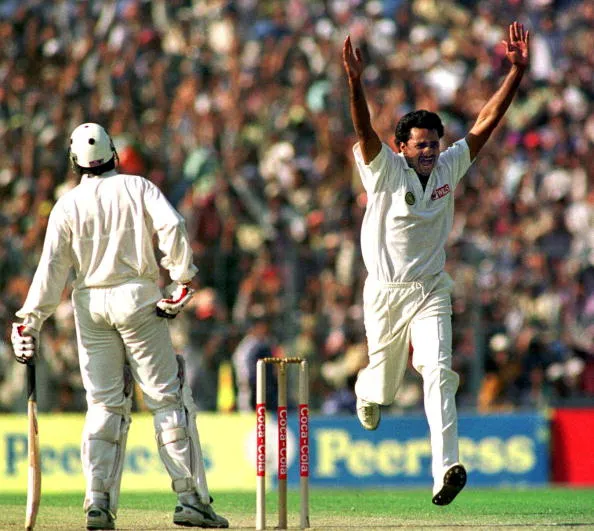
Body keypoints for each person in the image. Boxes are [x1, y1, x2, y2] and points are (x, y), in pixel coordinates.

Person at [342, 22, 530, 505]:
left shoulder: (449, 165)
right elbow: (363, 131)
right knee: (383, 387)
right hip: (385, 292)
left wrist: (516, 74)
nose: (427, 152)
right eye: (419, 145)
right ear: (402, 147)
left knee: (438, 370)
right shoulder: (385, 168)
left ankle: (445, 468)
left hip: (429, 289)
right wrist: (355, 83)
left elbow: (486, 121)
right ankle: (366, 391)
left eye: (433, 144)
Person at [10, 123, 229, 529]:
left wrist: (29, 321)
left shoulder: (66, 204)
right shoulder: (138, 187)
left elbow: (52, 269)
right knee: (167, 398)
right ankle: (190, 499)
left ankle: (98, 502)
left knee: (104, 405)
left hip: (89, 305)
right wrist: (182, 279)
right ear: (112, 152)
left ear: (75, 162)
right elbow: (173, 227)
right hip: (138, 298)